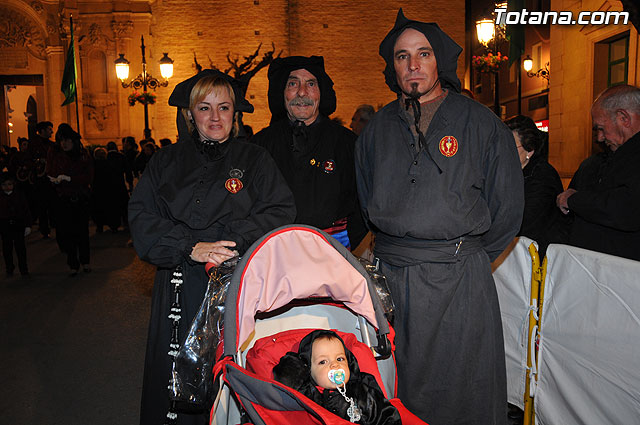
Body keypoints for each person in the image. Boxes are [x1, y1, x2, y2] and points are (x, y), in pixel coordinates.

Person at [354, 9, 524, 424]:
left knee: (460, 386)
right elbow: (365, 199)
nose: (412, 65)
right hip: (391, 275)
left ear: (440, 62)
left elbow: (508, 210)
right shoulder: (375, 130)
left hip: (458, 281)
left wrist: (463, 258)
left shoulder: (482, 124)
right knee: (397, 382)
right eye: (401, 56)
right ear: (392, 68)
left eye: (423, 54)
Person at [129, 70, 296, 425]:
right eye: (205, 108)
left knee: (232, 377)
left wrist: (230, 241)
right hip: (180, 285)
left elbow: (280, 211)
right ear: (190, 114)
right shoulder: (165, 162)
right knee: (175, 389)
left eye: (224, 107)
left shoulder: (256, 160)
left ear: (236, 113)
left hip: (236, 285)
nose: (215, 117)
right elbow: (141, 216)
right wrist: (191, 245)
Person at [252, 56, 367, 249]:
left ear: (321, 93)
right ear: (283, 93)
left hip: (332, 252)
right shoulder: (260, 145)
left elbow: (363, 202)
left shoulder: (347, 143)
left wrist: (342, 244)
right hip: (274, 253)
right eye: (293, 84)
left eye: (311, 84)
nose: (302, 92)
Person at [557, 84, 640, 261]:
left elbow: (628, 209)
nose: (600, 138)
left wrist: (573, 199)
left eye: (601, 128)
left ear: (624, 118)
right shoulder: (603, 159)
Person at [273, 330, 401, 425]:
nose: (335, 364)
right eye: (323, 362)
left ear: (349, 363)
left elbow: (388, 416)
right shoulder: (309, 394)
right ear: (309, 371)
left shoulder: (362, 391)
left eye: (340, 359)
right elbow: (287, 379)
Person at [505, 115, 568, 256]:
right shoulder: (511, 173)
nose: (503, 152)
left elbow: (525, 222)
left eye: (510, 146)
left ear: (529, 150)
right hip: (516, 252)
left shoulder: (543, 177)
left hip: (538, 258)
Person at [47, 124, 94, 275]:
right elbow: (51, 170)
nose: (64, 144)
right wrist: (54, 179)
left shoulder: (83, 155)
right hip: (64, 198)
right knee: (68, 233)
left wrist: (70, 178)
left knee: (82, 232)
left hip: (80, 198)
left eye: (66, 140)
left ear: (73, 141)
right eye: (61, 141)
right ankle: (73, 263)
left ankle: (85, 261)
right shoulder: (58, 156)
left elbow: (88, 177)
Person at [0, 173, 31, 276]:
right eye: (4, 185)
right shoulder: (1, 197)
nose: (7, 187)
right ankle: (9, 267)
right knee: (7, 248)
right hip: (5, 224)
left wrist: (27, 225)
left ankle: (24, 268)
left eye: (9, 184)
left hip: (18, 223)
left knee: (20, 248)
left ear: (13, 184)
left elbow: (26, 210)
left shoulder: (19, 195)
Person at [29, 121, 55, 238]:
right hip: (39, 179)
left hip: (51, 178)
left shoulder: (52, 145)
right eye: (49, 129)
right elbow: (29, 160)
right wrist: (40, 161)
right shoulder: (33, 144)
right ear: (43, 131)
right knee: (42, 205)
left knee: (52, 204)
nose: (51, 132)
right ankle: (44, 229)